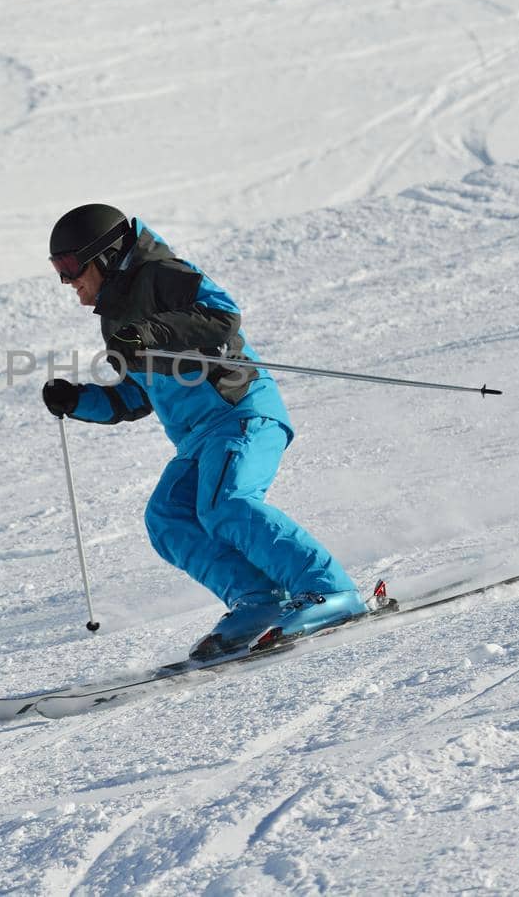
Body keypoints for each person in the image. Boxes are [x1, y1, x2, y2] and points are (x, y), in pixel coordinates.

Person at [42, 203, 366, 658]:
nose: (68, 279)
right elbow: (137, 396)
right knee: (168, 519)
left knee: (226, 505)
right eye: (59, 268)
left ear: (108, 254)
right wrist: (78, 401)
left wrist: (149, 332)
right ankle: (257, 602)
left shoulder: (162, 273)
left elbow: (221, 317)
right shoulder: (116, 319)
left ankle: (329, 592)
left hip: (239, 411)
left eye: (72, 266)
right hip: (199, 438)